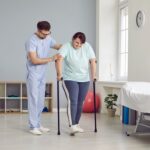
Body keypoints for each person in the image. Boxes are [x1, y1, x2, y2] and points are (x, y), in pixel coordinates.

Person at [55, 32, 96, 135]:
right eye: (77, 43)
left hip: (84, 79)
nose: (78, 45)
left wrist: (94, 75)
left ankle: (76, 124)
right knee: (72, 100)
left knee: (80, 102)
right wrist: (59, 74)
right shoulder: (66, 46)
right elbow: (59, 59)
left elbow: (93, 60)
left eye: (80, 44)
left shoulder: (87, 46)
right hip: (70, 78)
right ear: (73, 39)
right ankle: (72, 125)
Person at [25, 21, 62, 135]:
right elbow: (34, 60)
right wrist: (51, 58)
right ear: (38, 30)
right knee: (34, 99)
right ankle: (33, 126)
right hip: (33, 74)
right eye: (43, 34)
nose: (45, 36)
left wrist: (71, 46)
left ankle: (38, 124)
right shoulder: (31, 41)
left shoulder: (48, 38)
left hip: (42, 74)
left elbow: (58, 46)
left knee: (41, 100)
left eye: (48, 33)